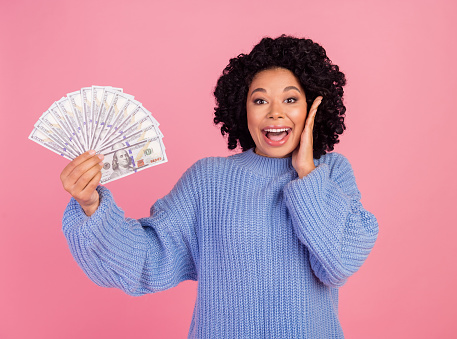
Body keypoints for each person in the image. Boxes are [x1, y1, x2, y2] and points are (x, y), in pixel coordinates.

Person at [60, 35, 379, 339]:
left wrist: (307, 173)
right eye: (260, 100)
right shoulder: (208, 180)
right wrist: (91, 206)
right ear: (244, 109)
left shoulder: (332, 172)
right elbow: (148, 257)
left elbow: (339, 264)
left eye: (290, 99)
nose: (275, 112)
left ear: (312, 107)